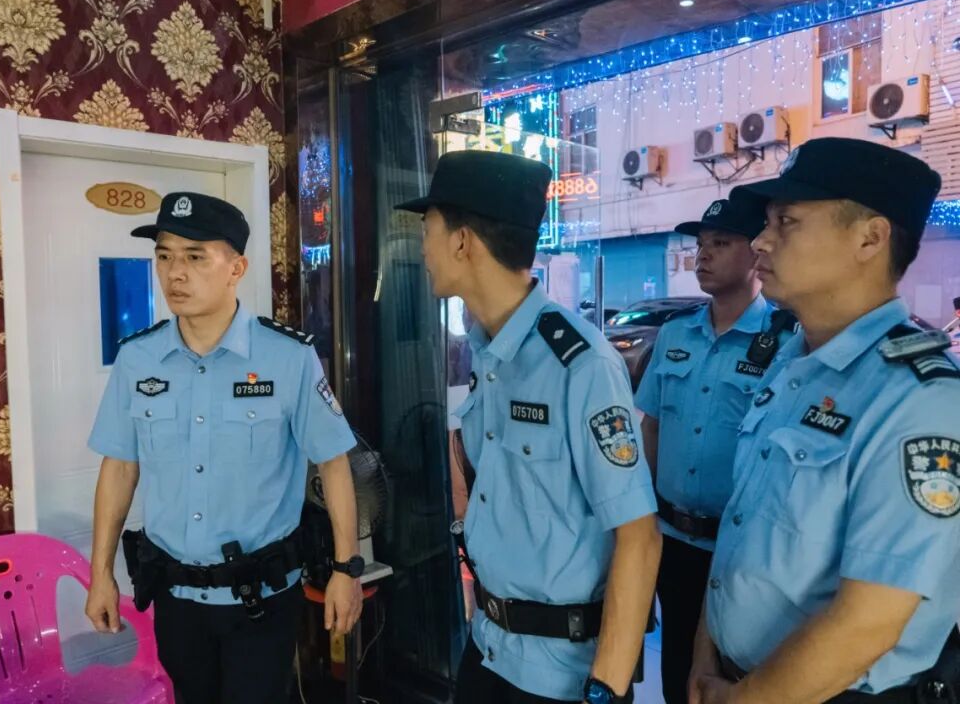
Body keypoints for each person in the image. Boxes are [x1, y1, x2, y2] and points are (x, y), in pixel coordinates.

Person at [688, 137, 960, 704]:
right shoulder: (791, 364)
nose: (761, 241)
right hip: (740, 678)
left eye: (786, 222)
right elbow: (742, 533)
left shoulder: (919, 399)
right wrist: (704, 654)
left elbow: (867, 624)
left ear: (870, 238)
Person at [396, 150, 661, 704]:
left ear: (462, 241)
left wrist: (606, 691)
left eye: (428, 230)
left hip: (559, 674)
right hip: (489, 648)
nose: (422, 249)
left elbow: (638, 538)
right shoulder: (487, 350)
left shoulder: (580, 364)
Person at [83, 192, 365, 704]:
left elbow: (333, 462)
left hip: (261, 599)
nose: (175, 273)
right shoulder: (138, 359)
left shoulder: (287, 358)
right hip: (176, 599)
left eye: (195, 256)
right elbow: (120, 467)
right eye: (164, 255)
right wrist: (100, 573)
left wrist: (347, 569)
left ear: (237, 268)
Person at [635, 196, 793, 704]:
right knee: (676, 670)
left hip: (738, 552)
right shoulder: (674, 334)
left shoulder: (785, 343)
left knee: (734, 673)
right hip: (671, 539)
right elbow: (652, 430)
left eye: (720, 243)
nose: (703, 255)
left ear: (756, 253)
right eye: (701, 244)